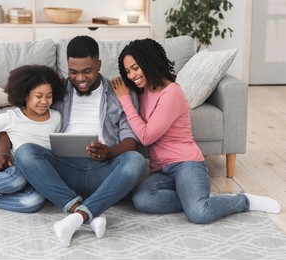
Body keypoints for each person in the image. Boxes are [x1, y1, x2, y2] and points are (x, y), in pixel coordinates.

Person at [0, 35, 147, 247]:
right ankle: (86, 212)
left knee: (136, 160)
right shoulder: (55, 91)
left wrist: (110, 152)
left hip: (103, 170)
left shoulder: (119, 92)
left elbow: (131, 139)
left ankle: (77, 217)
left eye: (87, 71)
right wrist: (3, 153)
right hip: (64, 170)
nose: (80, 78)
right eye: (73, 72)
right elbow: (15, 121)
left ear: (99, 64)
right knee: (25, 152)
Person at [111, 38, 280, 224]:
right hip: (160, 170)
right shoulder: (143, 91)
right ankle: (193, 198)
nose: (132, 75)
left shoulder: (171, 93)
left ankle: (244, 201)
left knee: (199, 213)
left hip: (186, 164)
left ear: (149, 61)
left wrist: (125, 99)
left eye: (135, 68)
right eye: (127, 71)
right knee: (142, 200)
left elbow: (146, 136)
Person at [0, 64, 65, 214]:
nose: (44, 101)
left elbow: (57, 145)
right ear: (26, 95)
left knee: (33, 202)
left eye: (49, 96)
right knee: (17, 180)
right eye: (39, 96)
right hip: (14, 171)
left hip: (40, 172)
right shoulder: (13, 117)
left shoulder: (56, 117)